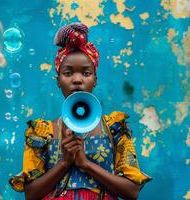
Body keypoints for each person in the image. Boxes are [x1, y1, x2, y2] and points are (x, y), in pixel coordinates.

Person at [9, 22, 151, 200]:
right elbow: (31, 194)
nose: (77, 80)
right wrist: (65, 163)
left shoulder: (115, 129)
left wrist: (86, 164)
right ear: (58, 81)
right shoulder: (40, 132)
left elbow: (132, 191)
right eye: (68, 73)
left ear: (95, 79)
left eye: (86, 73)